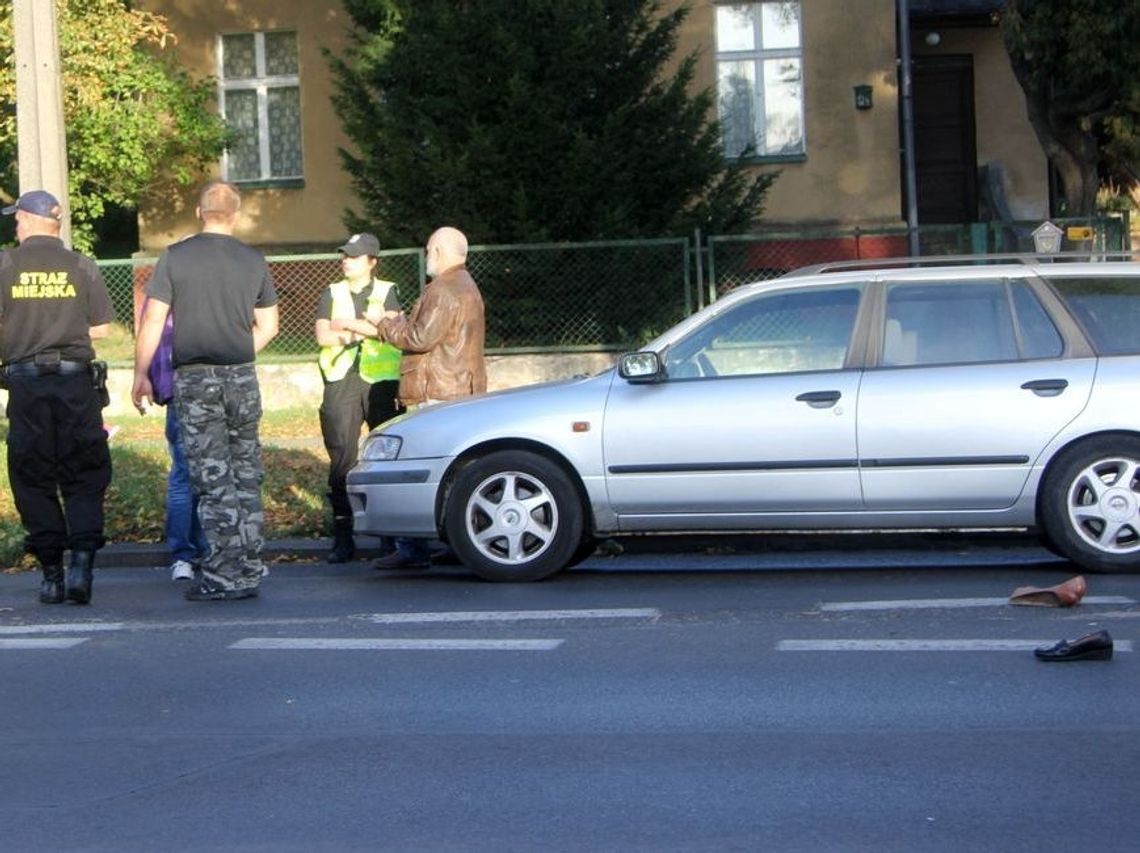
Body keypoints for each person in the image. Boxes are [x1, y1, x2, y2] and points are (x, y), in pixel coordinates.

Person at [131, 180, 279, 601]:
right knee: (246, 472)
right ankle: (249, 564)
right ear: (235, 214)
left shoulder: (176, 258)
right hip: (242, 377)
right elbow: (268, 325)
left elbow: (154, 321)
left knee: (211, 477)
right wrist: (236, 347)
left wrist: (141, 373)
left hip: (196, 379)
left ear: (199, 212)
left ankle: (223, 574)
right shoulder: (253, 260)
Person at [0, 190, 113, 605]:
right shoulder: (83, 265)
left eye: (17, 218)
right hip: (76, 384)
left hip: (27, 386)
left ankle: (51, 575)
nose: (15, 224)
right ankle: (82, 566)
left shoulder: (5, 264)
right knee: (84, 471)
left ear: (31, 220)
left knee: (33, 476)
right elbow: (101, 329)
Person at [363, 226, 486, 570]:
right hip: (461, 385)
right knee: (457, 472)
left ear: (440, 252)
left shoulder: (443, 289)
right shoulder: (466, 285)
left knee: (418, 468)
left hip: (439, 390)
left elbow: (419, 338)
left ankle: (412, 549)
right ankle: (458, 542)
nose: (426, 255)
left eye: (430, 249)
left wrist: (383, 325)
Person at [314, 232, 403, 562]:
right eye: (344, 255)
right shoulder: (332, 292)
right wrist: (367, 325)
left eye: (353, 256)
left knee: (386, 458)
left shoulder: (387, 290)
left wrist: (346, 325)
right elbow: (324, 334)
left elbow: (392, 329)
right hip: (341, 382)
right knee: (342, 460)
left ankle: (390, 536)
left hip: (381, 384)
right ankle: (343, 535)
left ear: (372, 261)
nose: (346, 260)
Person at [145, 306, 208, 581]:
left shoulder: (167, 280)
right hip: (211, 385)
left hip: (178, 388)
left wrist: (148, 378)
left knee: (184, 475)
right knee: (205, 476)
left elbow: (152, 332)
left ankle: (185, 554)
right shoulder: (214, 280)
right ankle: (200, 551)